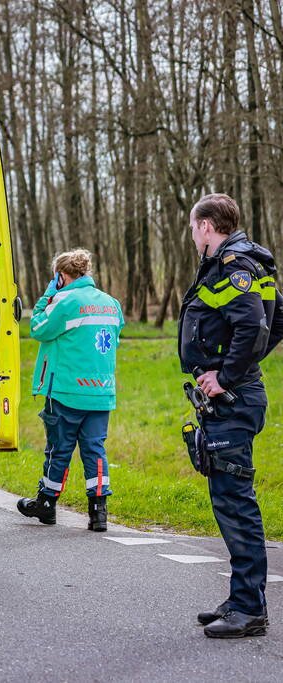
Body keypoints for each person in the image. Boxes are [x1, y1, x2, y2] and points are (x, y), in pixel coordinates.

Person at [178, 193, 283, 639]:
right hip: (237, 395)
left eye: (192, 226)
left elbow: (256, 325)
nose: (192, 234)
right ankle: (242, 597)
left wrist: (227, 376)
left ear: (206, 226)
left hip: (233, 399)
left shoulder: (233, 267)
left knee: (235, 504)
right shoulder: (246, 263)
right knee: (229, 499)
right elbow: (277, 324)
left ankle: (249, 610)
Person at [17, 249, 123, 532]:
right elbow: (116, 335)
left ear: (60, 276)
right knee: (95, 449)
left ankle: (46, 503)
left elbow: (38, 327)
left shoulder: (64, 300)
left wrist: (47, 295)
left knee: (59, 449)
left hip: (66, 390)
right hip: (101, 392)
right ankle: (98, 512)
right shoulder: (111, 303)